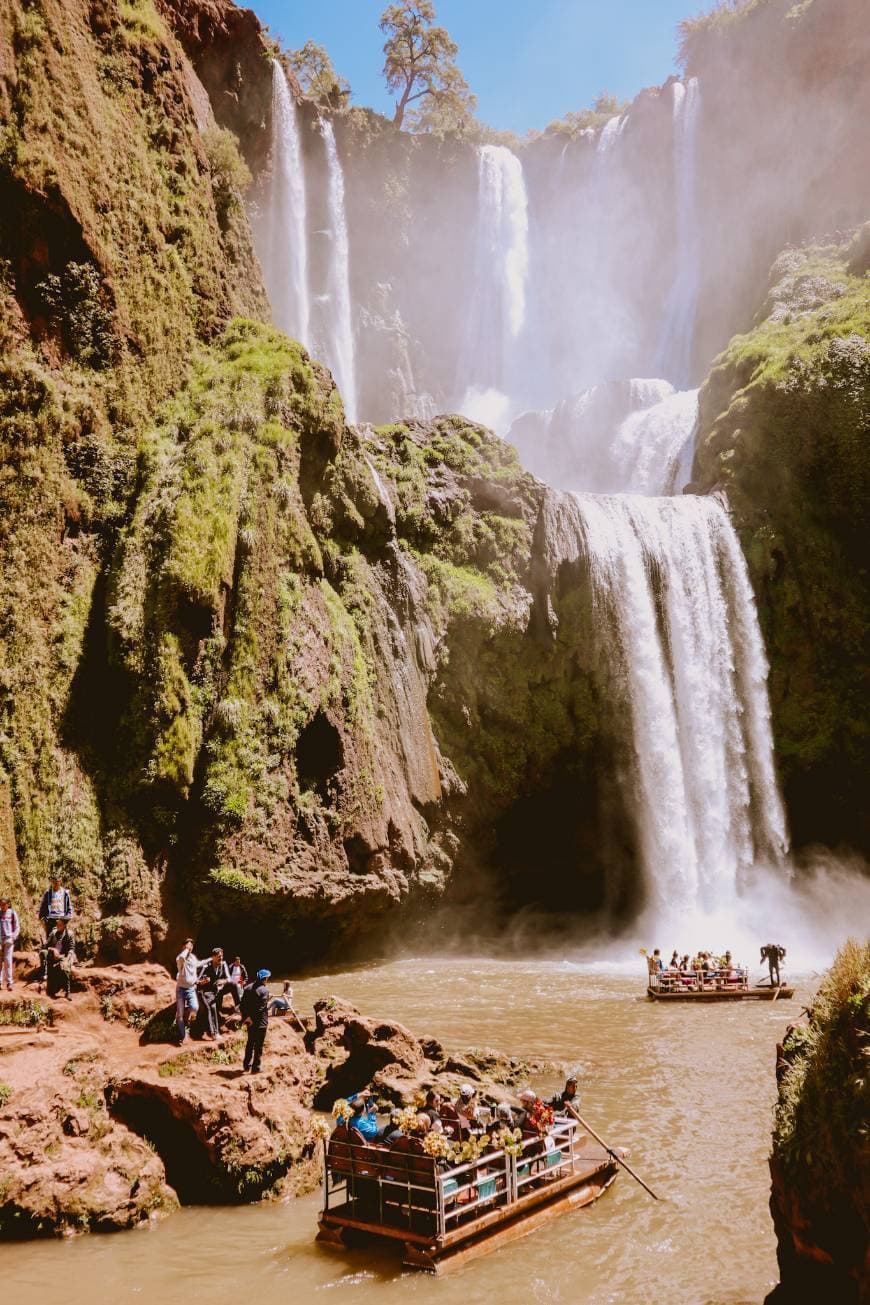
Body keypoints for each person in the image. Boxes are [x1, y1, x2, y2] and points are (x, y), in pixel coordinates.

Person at [240, 968, 271, 1073]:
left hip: (250, 1021)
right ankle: (256, 1067)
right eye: (267, 978)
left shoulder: (247, 988)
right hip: (260, 1022)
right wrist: (252, 1018)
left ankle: (246, 1065)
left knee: (250, 1043)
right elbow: (261, 1008)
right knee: (258, 1046)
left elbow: (242, 1005)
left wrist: (246, 1018)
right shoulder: (265, 990)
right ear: (264, 979)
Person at [175, 938, 205, 1044]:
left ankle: (188, 1019)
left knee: (195, 1007)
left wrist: (210, 959)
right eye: (187, 946)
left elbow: (199, 964)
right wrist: (186, 950)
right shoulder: (180, 957)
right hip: (180, 990)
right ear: (183, 947)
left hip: (191, 988)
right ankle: (182, 1036)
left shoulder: (192, 958)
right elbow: (182, 957)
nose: (190, 947)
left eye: (191, 946)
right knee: (179, 1015)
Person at [43, 918, 74, 999]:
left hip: (64, 956)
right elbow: (46, 946)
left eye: (59, 924)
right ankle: (52, 991)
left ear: (64, 925)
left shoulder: (69, 934)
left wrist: (68, 958)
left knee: (63, 968)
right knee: (52, 969)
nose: (57, 926)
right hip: (52, 956)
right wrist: (52, 949)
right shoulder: (53, 933)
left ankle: (68, 991)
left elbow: (71, 948)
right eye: (57, 924)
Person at [0, 895, 20, 992]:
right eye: (1, 904)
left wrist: (13, 937)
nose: (2, 906)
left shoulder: (12, 913)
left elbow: (17, 927)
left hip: (9, 940)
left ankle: (9, 983)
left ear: (8, 904)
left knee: (8, 961)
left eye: (4, 904)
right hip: (0, 940)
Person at [218, 955, 248, 1019]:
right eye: (237, 962)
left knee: (238, 997)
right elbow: (225, 975)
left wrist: (244, 981)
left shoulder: (242, 967)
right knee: (220, 992)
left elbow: (246, 976)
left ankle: (238, 1010)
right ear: (234, 962)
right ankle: (218, 1008)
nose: (238, 963)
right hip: (230, 984)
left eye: (239, 962)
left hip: (238, 984)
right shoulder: (230, 967)